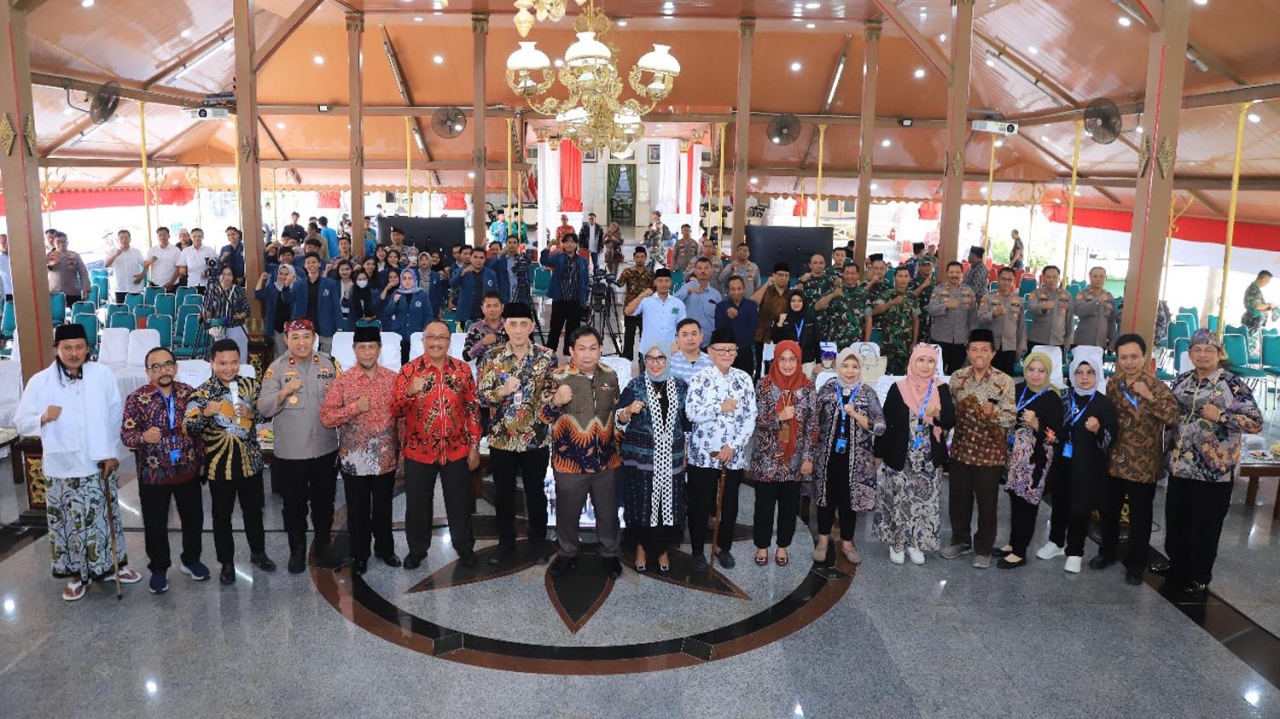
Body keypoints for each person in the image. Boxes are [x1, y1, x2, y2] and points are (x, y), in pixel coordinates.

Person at [14, 324, 139, 601]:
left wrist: (111, 453)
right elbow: (20, 421)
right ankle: (75, 575)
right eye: (67, 348)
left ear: (88, 348)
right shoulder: (40, 381)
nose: (74, 353)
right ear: (56, 350)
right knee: (68, 524)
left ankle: (109, 568)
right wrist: (42, 418)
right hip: (62, 469)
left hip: (97, 462)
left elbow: (114, 415)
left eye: (79, 347)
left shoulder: (102, 375)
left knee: (104, 520)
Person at [1152, 329, 1262, 596]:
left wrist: (1222, 415)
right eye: (1197, 350)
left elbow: (1256, 423)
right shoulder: (1181, 381)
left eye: (1209, 350)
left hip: (1214, 473)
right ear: (1189, 354)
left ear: (1219, 354)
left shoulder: (1233, 385)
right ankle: (1176, 566)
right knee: (1177, 521)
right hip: (1180, 468)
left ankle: (1200, 574)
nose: (1202, 355)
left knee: (1205, 526)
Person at [184, 339, 276, 585]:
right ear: (212, 363)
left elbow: (267, 414)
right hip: (219, 467)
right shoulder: (202, 393)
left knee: (254, 513)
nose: (229, 368)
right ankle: (226, 563)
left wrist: (252, 414)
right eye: (223, 363)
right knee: (221, 517)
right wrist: (206, 413)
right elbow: (189, 428)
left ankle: (258, 553)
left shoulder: (251, 385)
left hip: (251, 463)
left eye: (234, 362)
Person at [394, 321, 482, 570]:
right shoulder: (409, 371)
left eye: (441, 338)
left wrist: (474, 445)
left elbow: (472, 409)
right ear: (423, 341)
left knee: (459, 503)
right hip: (418, 452)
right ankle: (417, 551)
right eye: (431, 337)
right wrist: (409, 393)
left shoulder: (462, 371)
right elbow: (395, 409)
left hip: (456, 449)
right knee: (418, 505)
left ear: (449, 342)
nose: (436, 342)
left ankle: (465, 548)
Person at [121, 347, 209, 593]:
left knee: (193, 518)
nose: (163, 370)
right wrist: (143, 436)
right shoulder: (136, 398)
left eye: (168, 364)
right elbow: (126, 436)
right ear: (148, 372)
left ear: (175, 367)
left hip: (187, 468)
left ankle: (191, 560)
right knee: (155, 522)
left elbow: (199, 429)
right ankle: (159, 568)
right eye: (156, 366)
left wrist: (202, 461)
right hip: (153, 473)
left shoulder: (189, 394)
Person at [259, 319, 343, 573]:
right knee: (293, 504)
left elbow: (341, 400)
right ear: (286, 339)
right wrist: (284, 392)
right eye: (295, 337)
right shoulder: (276, 369)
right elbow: (263, 408)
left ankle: (323, 545)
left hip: (324, 448)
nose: (301, 342)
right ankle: (297, 549)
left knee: (324, 501)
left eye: (306, 336)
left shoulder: (328, 365)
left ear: (314, 337)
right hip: (292, 452)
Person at [539, 327, 624, 578]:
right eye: (581, 349)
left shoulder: (610, 375)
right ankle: (567, 553)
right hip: (570, 463)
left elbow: (616, 413)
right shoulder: (556, 377)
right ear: (571, 351)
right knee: (567, 513)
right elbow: (543, 417)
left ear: (600, 350)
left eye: (593, 348)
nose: (588, 355)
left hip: (606, 461)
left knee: (608, 514)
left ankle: (610, 553)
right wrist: (556, 401)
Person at [478, 302, 557, 564]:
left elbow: (551, 393)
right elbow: (482, 396)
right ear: (505, 325)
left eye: (524, 324)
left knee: (536, 492)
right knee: (504, 493)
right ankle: (505, 542)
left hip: (535, 437)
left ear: (532, 326)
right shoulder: (492, 355)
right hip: (503, 437)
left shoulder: (547, 356)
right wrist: (501, 391)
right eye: (513, 323)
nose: (519, 329)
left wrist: (554, 397)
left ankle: (537, 542)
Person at [318, 326, 401, 575]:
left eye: (372, 347)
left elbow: (402, 417)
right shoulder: (343, 381)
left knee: (384, 508)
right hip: (354, 458)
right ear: (355, 350)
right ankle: (360, 554)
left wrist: (404, 452)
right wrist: (353, 409)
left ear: (379, 349)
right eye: (362, 347)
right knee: (357, 510)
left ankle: (385, 550)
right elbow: (326, 417)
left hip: (385, 456)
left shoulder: (392, 378)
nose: (367, 352)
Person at [1097, 333, 1178, 584]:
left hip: (1144, 464)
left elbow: (1173, 417)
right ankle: (1107, 553)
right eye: (1124, 357)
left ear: (1144, 357)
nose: (1129, 362)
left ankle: (1135, 565)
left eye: (1134, 356)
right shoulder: (1113, 384)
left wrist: (1150, 397)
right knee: (1108, 512)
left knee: (1140, 518)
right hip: (1114, 460)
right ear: (1118, 359)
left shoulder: (1157, 386)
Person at [940, 329, 1015, 569]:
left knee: (987, 504)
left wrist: (993, 414)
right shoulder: (957, 378)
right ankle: (960, 541)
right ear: (967, 352)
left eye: (984, 349)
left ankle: (983, 548)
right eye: (974, 349)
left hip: (990, 454)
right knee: (958, 501)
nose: (979, 354)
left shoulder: (1004, 381)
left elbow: (1011, 418)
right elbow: (948, 414)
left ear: (993, 353)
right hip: (961, 450)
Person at [684, 327, 758, 572]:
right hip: (702, 454)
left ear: (736, 353)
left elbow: (750, 417)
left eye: (731, 349)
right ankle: (696, 550)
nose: (726, 353)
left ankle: (723, 547)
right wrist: (720, 407)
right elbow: (691, 413)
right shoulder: (700, 378)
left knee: (729, 505)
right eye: (721, 349)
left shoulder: (744, 379)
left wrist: (733, 446)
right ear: (710, 352)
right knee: (700, 503)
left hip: (732, 456)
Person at [874, 345, 954, 565]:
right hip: (900, 456)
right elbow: (885, 425)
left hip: (928, 459)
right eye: (921, 361)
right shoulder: (898, 388)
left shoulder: (942, 388)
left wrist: (937, 414)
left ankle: (916, 543)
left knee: (923, 503)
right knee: (898, 499)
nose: (926, 366)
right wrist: (878, 455)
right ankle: (897, 542)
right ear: (912, 362)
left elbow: (950, 420)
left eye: (930, 361)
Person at [1037, 355, 1117, 574]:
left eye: (1090, 373)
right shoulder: (1062, 397)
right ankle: (1056, 543)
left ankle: (1075, 551)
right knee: (1059, 503)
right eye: (1079, 373)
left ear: (1097, 376)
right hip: (1062, 461)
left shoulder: (1103, 403)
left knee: (1079, 509)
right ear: (1072, 375)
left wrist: (1097, 430)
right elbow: (1050, 427)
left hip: (1088, 467)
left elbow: (1111, 438)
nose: (1084, 377)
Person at [616, 340, 688, 573]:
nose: (655, 363)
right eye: (650, 358)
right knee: (643, 505)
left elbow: (686, 423)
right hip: (641, 460)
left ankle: (663, 550)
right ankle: (641, 548)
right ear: (644, 361)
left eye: (661, 358)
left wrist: (685, 453)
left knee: (667, 506)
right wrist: (628, 411)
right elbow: (618, 420)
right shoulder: (635, 386)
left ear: (668, 360)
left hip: (672, 458)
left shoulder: (680, 386)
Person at [991, 351, 1062, 570]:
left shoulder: (1052, 397)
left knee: (1028, 504)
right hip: (1014, 458)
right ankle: (1013, 543)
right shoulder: (1018, 389)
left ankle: (1020, 552)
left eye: (1042, 371)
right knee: (1015, 499)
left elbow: (1056, 436)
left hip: (1035, 461)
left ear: (1048, 373)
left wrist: (1037, 425)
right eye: (1032, 369)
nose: (1036, 375)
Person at [813, 350, 885, 564]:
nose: (850, 371)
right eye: (846, 366)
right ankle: (823, 540)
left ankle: (847, 542)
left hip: (857, 462)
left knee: (849, 501)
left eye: (855, 367)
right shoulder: (827, 389)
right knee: (825, 499)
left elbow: (879, 427)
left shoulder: (867, 393)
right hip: (826, 458)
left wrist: (854, 414)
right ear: (838, 367)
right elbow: (813, 421)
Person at [749, 341, 817, 566]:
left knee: (789, 508)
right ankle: (761, 546)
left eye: (792, 359)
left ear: (798, 361)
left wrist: (807, 457)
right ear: (775, 360)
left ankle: (782, 546)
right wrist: (778, 417)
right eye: (782, 359)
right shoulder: (764, 385)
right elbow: (756, 419)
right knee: (764, 506)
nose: (787, 364)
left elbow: (812, 425)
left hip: (794, 460)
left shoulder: (807, 387)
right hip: (767, 458)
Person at [540, 233, 590, 355]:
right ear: (563, 244)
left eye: (572, 242)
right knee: (555, 329)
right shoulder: (558, 258)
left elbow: (585, 280)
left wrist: (585, 300)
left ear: (576, 244)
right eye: (566, 242)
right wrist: (549, 247)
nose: (569, 244)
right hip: (560, 299)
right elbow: (544, 260)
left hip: (575, 301)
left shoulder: (582, 261)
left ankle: (569, 356)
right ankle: (549, 355)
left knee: (573, 331)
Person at [927, 261, 978, 374]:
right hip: (940, 339)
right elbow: (931, 310)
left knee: (956, 374)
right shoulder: (938, 290)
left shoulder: (968, 292)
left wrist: (971, 337)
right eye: (951, 272)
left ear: (962, 274)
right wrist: (945, 306)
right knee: (936, 374)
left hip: (960, 341)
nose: (954, 275)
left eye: (957, 272)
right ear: (947, 274)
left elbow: (973, 317)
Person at [625, 266, 685, 359]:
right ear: (655, 282)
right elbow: (628, 311)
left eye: (667, 281)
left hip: (670, 352)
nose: (663, 284)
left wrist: (678, 345)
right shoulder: (646, 301)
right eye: (660, 281)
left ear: (671, 282)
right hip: (648, 351)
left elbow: (682, 328)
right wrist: (641, 295)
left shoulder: (678, 304)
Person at [871, 267, 921, 374]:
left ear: (910, 279)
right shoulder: (886, 294)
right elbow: (874, 311)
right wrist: (891, 303)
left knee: (904, 375)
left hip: (905, 344)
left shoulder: (912, 297)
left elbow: (916, 320)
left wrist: (914, 341)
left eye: (906, 276)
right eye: (900, 276)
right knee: (885, 374)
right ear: (894, 278)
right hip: (888, 343)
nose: (903, 279)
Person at [290, 254, 343, 355]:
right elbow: (288, 300)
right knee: (305, 358)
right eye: (308, 263)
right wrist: (286, 287)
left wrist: (339, 326)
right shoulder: (298, 285)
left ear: (319, 264)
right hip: (304, 328)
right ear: (304, 265)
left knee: (328, 358)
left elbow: (336, 306)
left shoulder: (330, 283)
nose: (311, 265)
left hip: (326, 328)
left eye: (314, 262)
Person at [977, 267, 1025, 376]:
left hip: (1010, 346)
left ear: (1014, 282)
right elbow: (980, 318)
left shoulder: (1018, 301)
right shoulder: (988, 298)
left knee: (1006, 379)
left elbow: (1021, 325)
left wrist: (1021, 345)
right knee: (988, 377)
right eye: (1003, 279)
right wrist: (993, 314)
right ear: (998, 279)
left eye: (1010, 280)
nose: (1006, 282)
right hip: (991, 345)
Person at [381, 268, 433, 365]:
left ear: (414, 280)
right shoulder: (397, 293)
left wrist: (425, 332)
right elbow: (388, 313)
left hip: (417, 336)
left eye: (410, 278)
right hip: (400, 336)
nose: (407, 281)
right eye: (404, 279)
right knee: (402, 365)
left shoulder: (422, 295)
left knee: (417, 366)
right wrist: (394, 302)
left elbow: (428, 316)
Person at [814, 262, 871, 350]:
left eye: (852, 273)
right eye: (847, 273)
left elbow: (868, 318)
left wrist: (866, 343)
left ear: (857, 275)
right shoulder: (834, 291)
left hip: (856, 342)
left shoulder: (864, 294)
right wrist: (832, 295)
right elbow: (817, 307)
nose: (849, 276)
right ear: (842, 274)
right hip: (835, 341)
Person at [202, 265, 250, 361]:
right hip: (219, 329)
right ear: (219, 276)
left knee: (239, 357)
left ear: (233, 277)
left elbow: (247, 310)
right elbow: (207, 309)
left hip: (236, 327)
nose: (226, 277)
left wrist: (241, 315)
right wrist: (205, 315)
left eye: (229, 274)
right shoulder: (212, 290)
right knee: (221, 358)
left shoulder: (239, 290)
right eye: (223, 274)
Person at [715, 276, 760, 375]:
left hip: (745, 352)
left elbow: (752, 329)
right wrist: (728, 318)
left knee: (746, 382)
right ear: (728, 291)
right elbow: (719, 330)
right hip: (726, 354)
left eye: (739, 289)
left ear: (744, 289)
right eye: (733, 289)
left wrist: (737, 346)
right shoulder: (721, 307)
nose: (736, 292)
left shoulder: (751, 306)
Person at [751, 263, 791, 376]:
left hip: (783, 337)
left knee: (782, 369)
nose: (783, 278)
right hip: (763, 336)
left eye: (786, 276)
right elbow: (753, 302)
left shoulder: (791, 294)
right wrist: (767, 284)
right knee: (760, 369)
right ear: (773, 275)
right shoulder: (766, 291)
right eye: (780, 275)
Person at [618, 247, 657, 359]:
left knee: (644, 338)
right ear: (634, 258)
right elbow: (619, 284)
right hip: (631, 310)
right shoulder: (628, 272)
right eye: (637, 257)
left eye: (642, 257)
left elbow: (655, 290)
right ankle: (626, 361)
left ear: (645, 258)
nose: (640, 259)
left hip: (645, 311)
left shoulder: (651, 274)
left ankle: (643, 361)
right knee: (628, 338)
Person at [676, 257, 723, 347]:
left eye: (706, 268)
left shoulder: (715, 294)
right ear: (695, 271)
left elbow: (720, 317)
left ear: (711, 271)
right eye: (700, 268)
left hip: (709, 340)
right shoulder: (687, 287)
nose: (703, 271)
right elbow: (674, 301)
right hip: (690, 340)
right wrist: (689, 291)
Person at [1026, 265, 1074, 352]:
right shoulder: (1036, 293)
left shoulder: (1067, 295)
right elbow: (1030, 308)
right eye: (1048, 277)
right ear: (1043, 278)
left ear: (1059, 278)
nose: (1051, 280)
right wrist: (1042, 306)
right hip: (1037, 340)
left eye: (1054, 277)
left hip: (1058, 341)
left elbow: (1069, 319)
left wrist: (1069, 339)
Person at [771, 290, 820, 373]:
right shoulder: (783, 318)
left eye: (799, 301)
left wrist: (818, 363)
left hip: (806, 363)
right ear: (789, 303)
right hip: (787, 363)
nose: (796, 303)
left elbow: (816, 342)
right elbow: (775, 340)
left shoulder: (811, 320)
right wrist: (779, 324)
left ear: (803, 303)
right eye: (793, 301)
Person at [255, 264, 297, 358]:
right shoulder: (272, 287)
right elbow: (257, 294)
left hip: (293, 327)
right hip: (277, 327)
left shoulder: (296, 287)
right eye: (280, 273)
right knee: (280, 355)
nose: (282, 277)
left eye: (286, 274)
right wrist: (261, 279)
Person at [1073, 267, 1117, 350]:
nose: (1098, 279)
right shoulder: (1083, 294)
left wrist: (1113, 341)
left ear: (1105, 278)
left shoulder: (1109, 297)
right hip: (1083, 342)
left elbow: (1111, 322)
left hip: (1101, 344)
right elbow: (1079, 311)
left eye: (1101, 276)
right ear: (1090, 277)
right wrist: (1097, 301)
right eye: (1095, 276)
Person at [454, 246, 500, 323]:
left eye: (481, 258)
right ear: (471, 258)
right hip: (466, 313)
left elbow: (496, 293)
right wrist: (463, 273)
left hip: (485, 313)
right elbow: (452, 283)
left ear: (485, 260)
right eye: (475, 257)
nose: (478, 260)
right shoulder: (461, 271)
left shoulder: (491, 273)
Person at [464, 291, 508, 366]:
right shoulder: (475, 328)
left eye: (495, 306)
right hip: (483, 373)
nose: (492, 309)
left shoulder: (510, 327)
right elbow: (466, 356)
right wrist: (482, 343)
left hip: (508, 373)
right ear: (482, 308)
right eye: (488, 306)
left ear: (502, 307)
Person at [46, 232, 92, 303]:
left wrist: (85, 289)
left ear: (67, 243)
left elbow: (83, 273)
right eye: (58, 242)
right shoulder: (49, 256)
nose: (61, 244)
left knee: (74, 312)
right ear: (54, 243)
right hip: (54, 293)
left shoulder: (74, 255)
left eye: (64, 242)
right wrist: (50, 265)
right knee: (56, 313)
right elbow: (41, 273)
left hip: (73, 292)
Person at [104, 229, 146, 303]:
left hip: (135, 288)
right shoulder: (113, 251)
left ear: (130, 239)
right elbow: (106, 265)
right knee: (122, 312)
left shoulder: (136, 252)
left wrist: (142, 275)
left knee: (136, 311)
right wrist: (115, 255)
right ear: (118, 240)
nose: (124, 240)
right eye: (121, 238)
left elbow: (145, 264)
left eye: (126, 238)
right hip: (120, 288)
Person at [669, 318, 715, 384]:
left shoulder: (712, 363)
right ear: (677, 338)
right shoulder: (670, 362)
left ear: (701, 336)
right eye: (685, 335)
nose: (690, 338)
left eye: (694, 334)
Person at [180, 227, 220, 294]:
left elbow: (216, 267)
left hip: (207, 284)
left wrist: (208, 274)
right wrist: (182, 271)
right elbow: (182, 267)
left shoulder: (209, 250)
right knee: (193, 303)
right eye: (194, 236)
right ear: (191, 237)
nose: (197, 238)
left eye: (199, 236)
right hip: (192, 283)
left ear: (203, 237)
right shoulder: (185, 251)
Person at [1241, 269, 1278, 337]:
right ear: (1263, 279)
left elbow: (1259, 305)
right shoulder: (1254, 290)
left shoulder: (1255, 289)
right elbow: (1257, 306)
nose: (1267, 283)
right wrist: (1268, 305)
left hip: (1254, 322)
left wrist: (1267, 307)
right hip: (1252, 322)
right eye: (1267, 281)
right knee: (1251, 343)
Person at [909, 257, 936, 343]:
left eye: (929, 265)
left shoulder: (935, 282)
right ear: (920, 267)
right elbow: (910, 297)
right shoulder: (914, 282)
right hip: (918, 320)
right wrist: (923, 286)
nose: (927, 268)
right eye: (924, 265)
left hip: (932, 322)